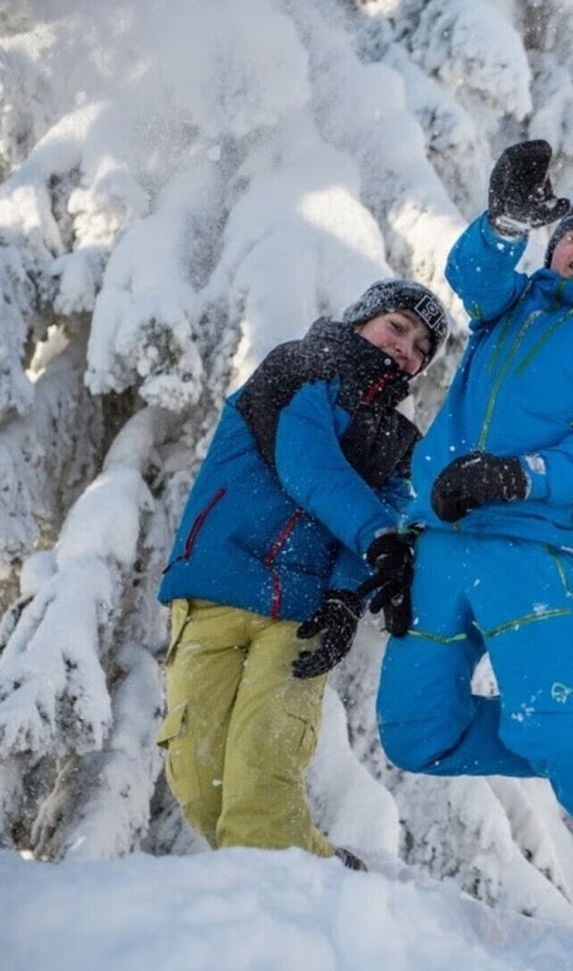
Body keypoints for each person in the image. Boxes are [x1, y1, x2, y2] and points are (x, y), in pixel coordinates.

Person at [373, 140, 573, 905]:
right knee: (414, 734)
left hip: (528, 548)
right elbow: (474, 274)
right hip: (437, 542)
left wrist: (524, 474)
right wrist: (503, 222)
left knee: (543, 725)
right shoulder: (511, 306)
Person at [158, 278, 450, 870]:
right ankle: (323, 870)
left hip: (302, 613)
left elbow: (386, 521)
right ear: (362, 319)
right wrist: (379, 539)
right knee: (197, 779)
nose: (407, 349)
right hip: (215, 589)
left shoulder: (397, 441)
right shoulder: (298, 367)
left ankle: (281, 917)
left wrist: (346, 597)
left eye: (422, 347)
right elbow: (306, 463)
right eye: (398, 327)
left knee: (262, 776)